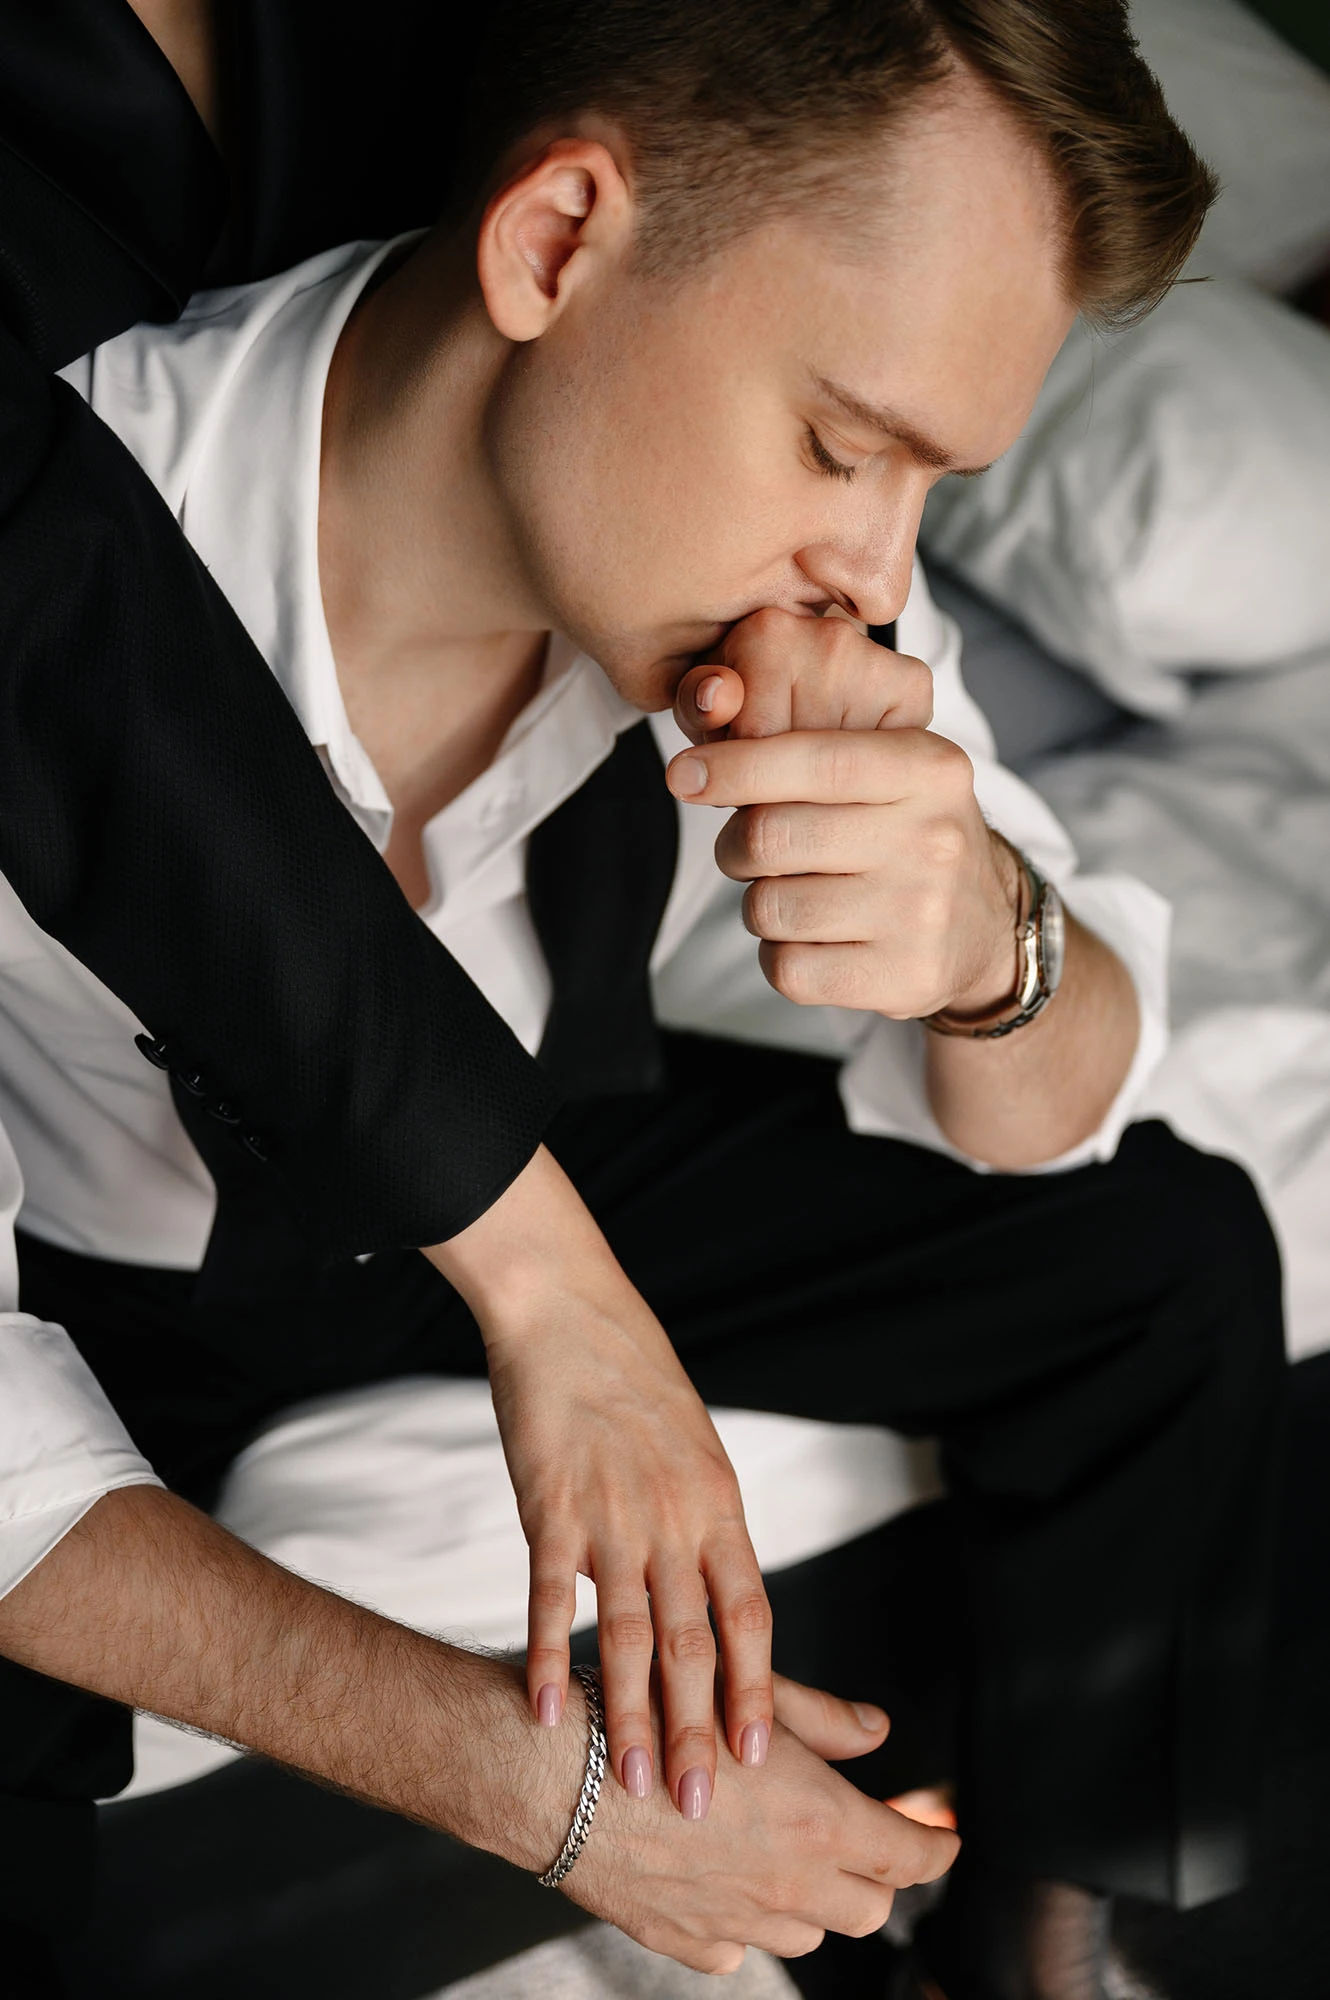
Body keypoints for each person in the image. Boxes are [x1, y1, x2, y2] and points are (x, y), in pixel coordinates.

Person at [0, 3, 1287, 1996]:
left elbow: (1059, 1094)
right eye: (840, 447)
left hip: (537, 1154)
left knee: (1170, 1248)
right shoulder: (75, 542)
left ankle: (1049, 1947)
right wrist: (552, 1789)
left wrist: (989, 944)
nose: (874, 571)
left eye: (929, 485)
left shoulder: (775, 581)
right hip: (90, 1272)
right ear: (555, 241)